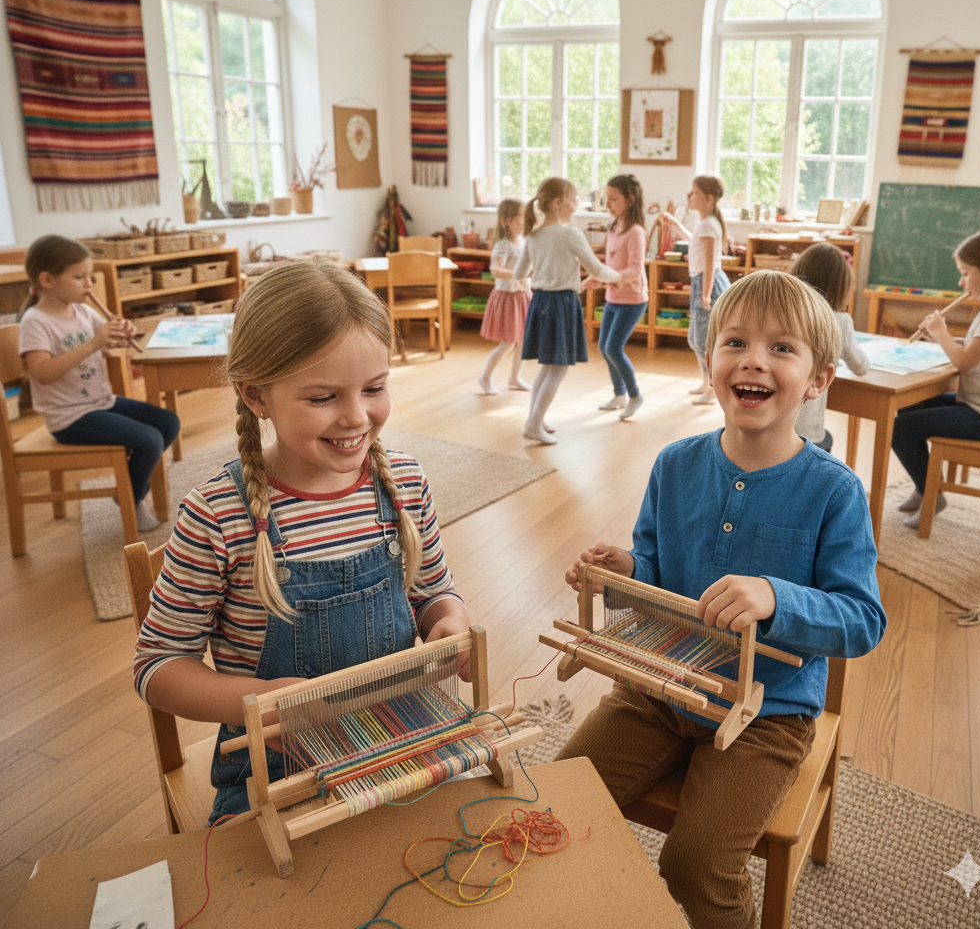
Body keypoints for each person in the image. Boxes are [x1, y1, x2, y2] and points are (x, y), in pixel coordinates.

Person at [556, 269, 886, 929]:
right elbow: (656, 574)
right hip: (659, 690)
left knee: (696, 862)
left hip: (768, 715)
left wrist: (776, 596)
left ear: (819, 379)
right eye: (734, 342)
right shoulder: (675, 464)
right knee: (559, 804)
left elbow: (863, 620)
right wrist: (626, 567)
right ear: (708, 361)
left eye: (781, 349)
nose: (754, 360)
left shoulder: (835, 492)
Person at [133, 259, 471, 822]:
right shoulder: (217, 516)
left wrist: (449, 618)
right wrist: (261, 703)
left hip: (398, 736)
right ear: (257, 396)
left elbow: (434, 591)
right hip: (275, 768)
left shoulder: (404, 483)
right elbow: (158, 668)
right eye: (322, 398)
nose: (357, 416)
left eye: (375, 388)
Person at [18, 235, 179, 532]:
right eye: (79, 277)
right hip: (69, 416)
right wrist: (95, 343)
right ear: (47, 280)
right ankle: (132, 499)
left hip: (100, 402)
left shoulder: (82, 310)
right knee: (149, 440)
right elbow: (42, 373)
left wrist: (121, 334)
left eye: (89, 276)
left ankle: (127, 490)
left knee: (168, 423)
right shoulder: (35, 322)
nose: (89, 284)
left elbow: (109, 346)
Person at [892, 226, 980, 528]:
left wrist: (941, 332)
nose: (961, 281)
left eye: (965, 273)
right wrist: (940, 339)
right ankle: (925, 486)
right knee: (908, 409)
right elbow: (977, 349)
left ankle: (931, 493)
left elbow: (965, 362)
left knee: (899, 428)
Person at [513, 176, 621, 445]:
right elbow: (597, 269)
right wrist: (618, 277)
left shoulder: (534, 235)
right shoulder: (570, 234)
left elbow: (518, 273)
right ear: (558, 203)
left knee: (548, 367)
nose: (577, 205)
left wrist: (548, 279)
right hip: (561, 305)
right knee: (558, 369)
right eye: (574, 200)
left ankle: (534, 421)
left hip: (540, 303)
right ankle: (534, 424)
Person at [789, 242, 870, 453]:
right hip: (807, 435)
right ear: (841, 287)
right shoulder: (839, 320)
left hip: (768, 428)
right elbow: (861, 366)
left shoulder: (784, 313)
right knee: (826, 441)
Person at [582, 173, 649, 420]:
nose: (608, 204)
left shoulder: (636, 232)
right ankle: (619, 395)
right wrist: (598, 278)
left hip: (633, 300)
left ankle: (635, 395)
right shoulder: (613, 227)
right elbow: (610, 265)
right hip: (613, 298)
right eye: (606, 199)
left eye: (613, 199)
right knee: (604, 347)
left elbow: (634, 270)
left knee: (613, 347)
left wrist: (604, 278)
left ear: (629, 200)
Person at [662, 175, 732, 404]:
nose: (688, 196)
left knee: (703, 341)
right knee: (695, 338)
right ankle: (706, 381)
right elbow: (693, 240)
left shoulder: (709, 225)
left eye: (693, 193)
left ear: (708, 198)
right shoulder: (705, 224)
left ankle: (713, 389)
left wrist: (705, 294)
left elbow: (711, 262)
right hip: (701, 283)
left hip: (707, 284)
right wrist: (675, 224)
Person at [478, 198, 531, 395]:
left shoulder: (523, 241)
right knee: (508, 342)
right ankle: (485, 377)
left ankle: (515, 378)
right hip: (508, 296)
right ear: (506, 221)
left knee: (524, 340)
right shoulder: (503, 245)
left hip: (523, 294)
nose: (524, 222)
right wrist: (517, 274)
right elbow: (496, 270)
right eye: (520, 218)